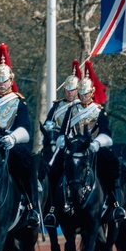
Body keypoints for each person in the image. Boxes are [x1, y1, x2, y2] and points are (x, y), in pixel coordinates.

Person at [56, 60, 125, 223]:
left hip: (94, 148)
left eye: (86, 93)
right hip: (74, 149)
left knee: (112, 168)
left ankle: (116, 205)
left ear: (92, 92)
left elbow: (106, 134)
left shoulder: (99, 111)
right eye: (81, 93)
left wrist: (97, 143)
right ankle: (52, 208)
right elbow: (63, 131)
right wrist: (61, 140)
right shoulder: (71, 109)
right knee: (53, 169)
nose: (83, 96)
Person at [0, 44, 39, 228]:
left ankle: (32, 208)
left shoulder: (18, 101)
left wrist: (13, 138)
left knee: (26, 167)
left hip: (11, 144)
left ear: (10, 80)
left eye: (5, 80)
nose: (2, 83)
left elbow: (25, 129)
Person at [42, 60, 81, 227]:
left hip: (78, 147)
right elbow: (48, 122)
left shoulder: (84, 107)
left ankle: (111, 205)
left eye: (72, 90)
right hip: (60, 148)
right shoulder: (57, 106)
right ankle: (50, 209)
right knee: (49, 173)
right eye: (67, 89)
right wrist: (49, 127)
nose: (69, 93)